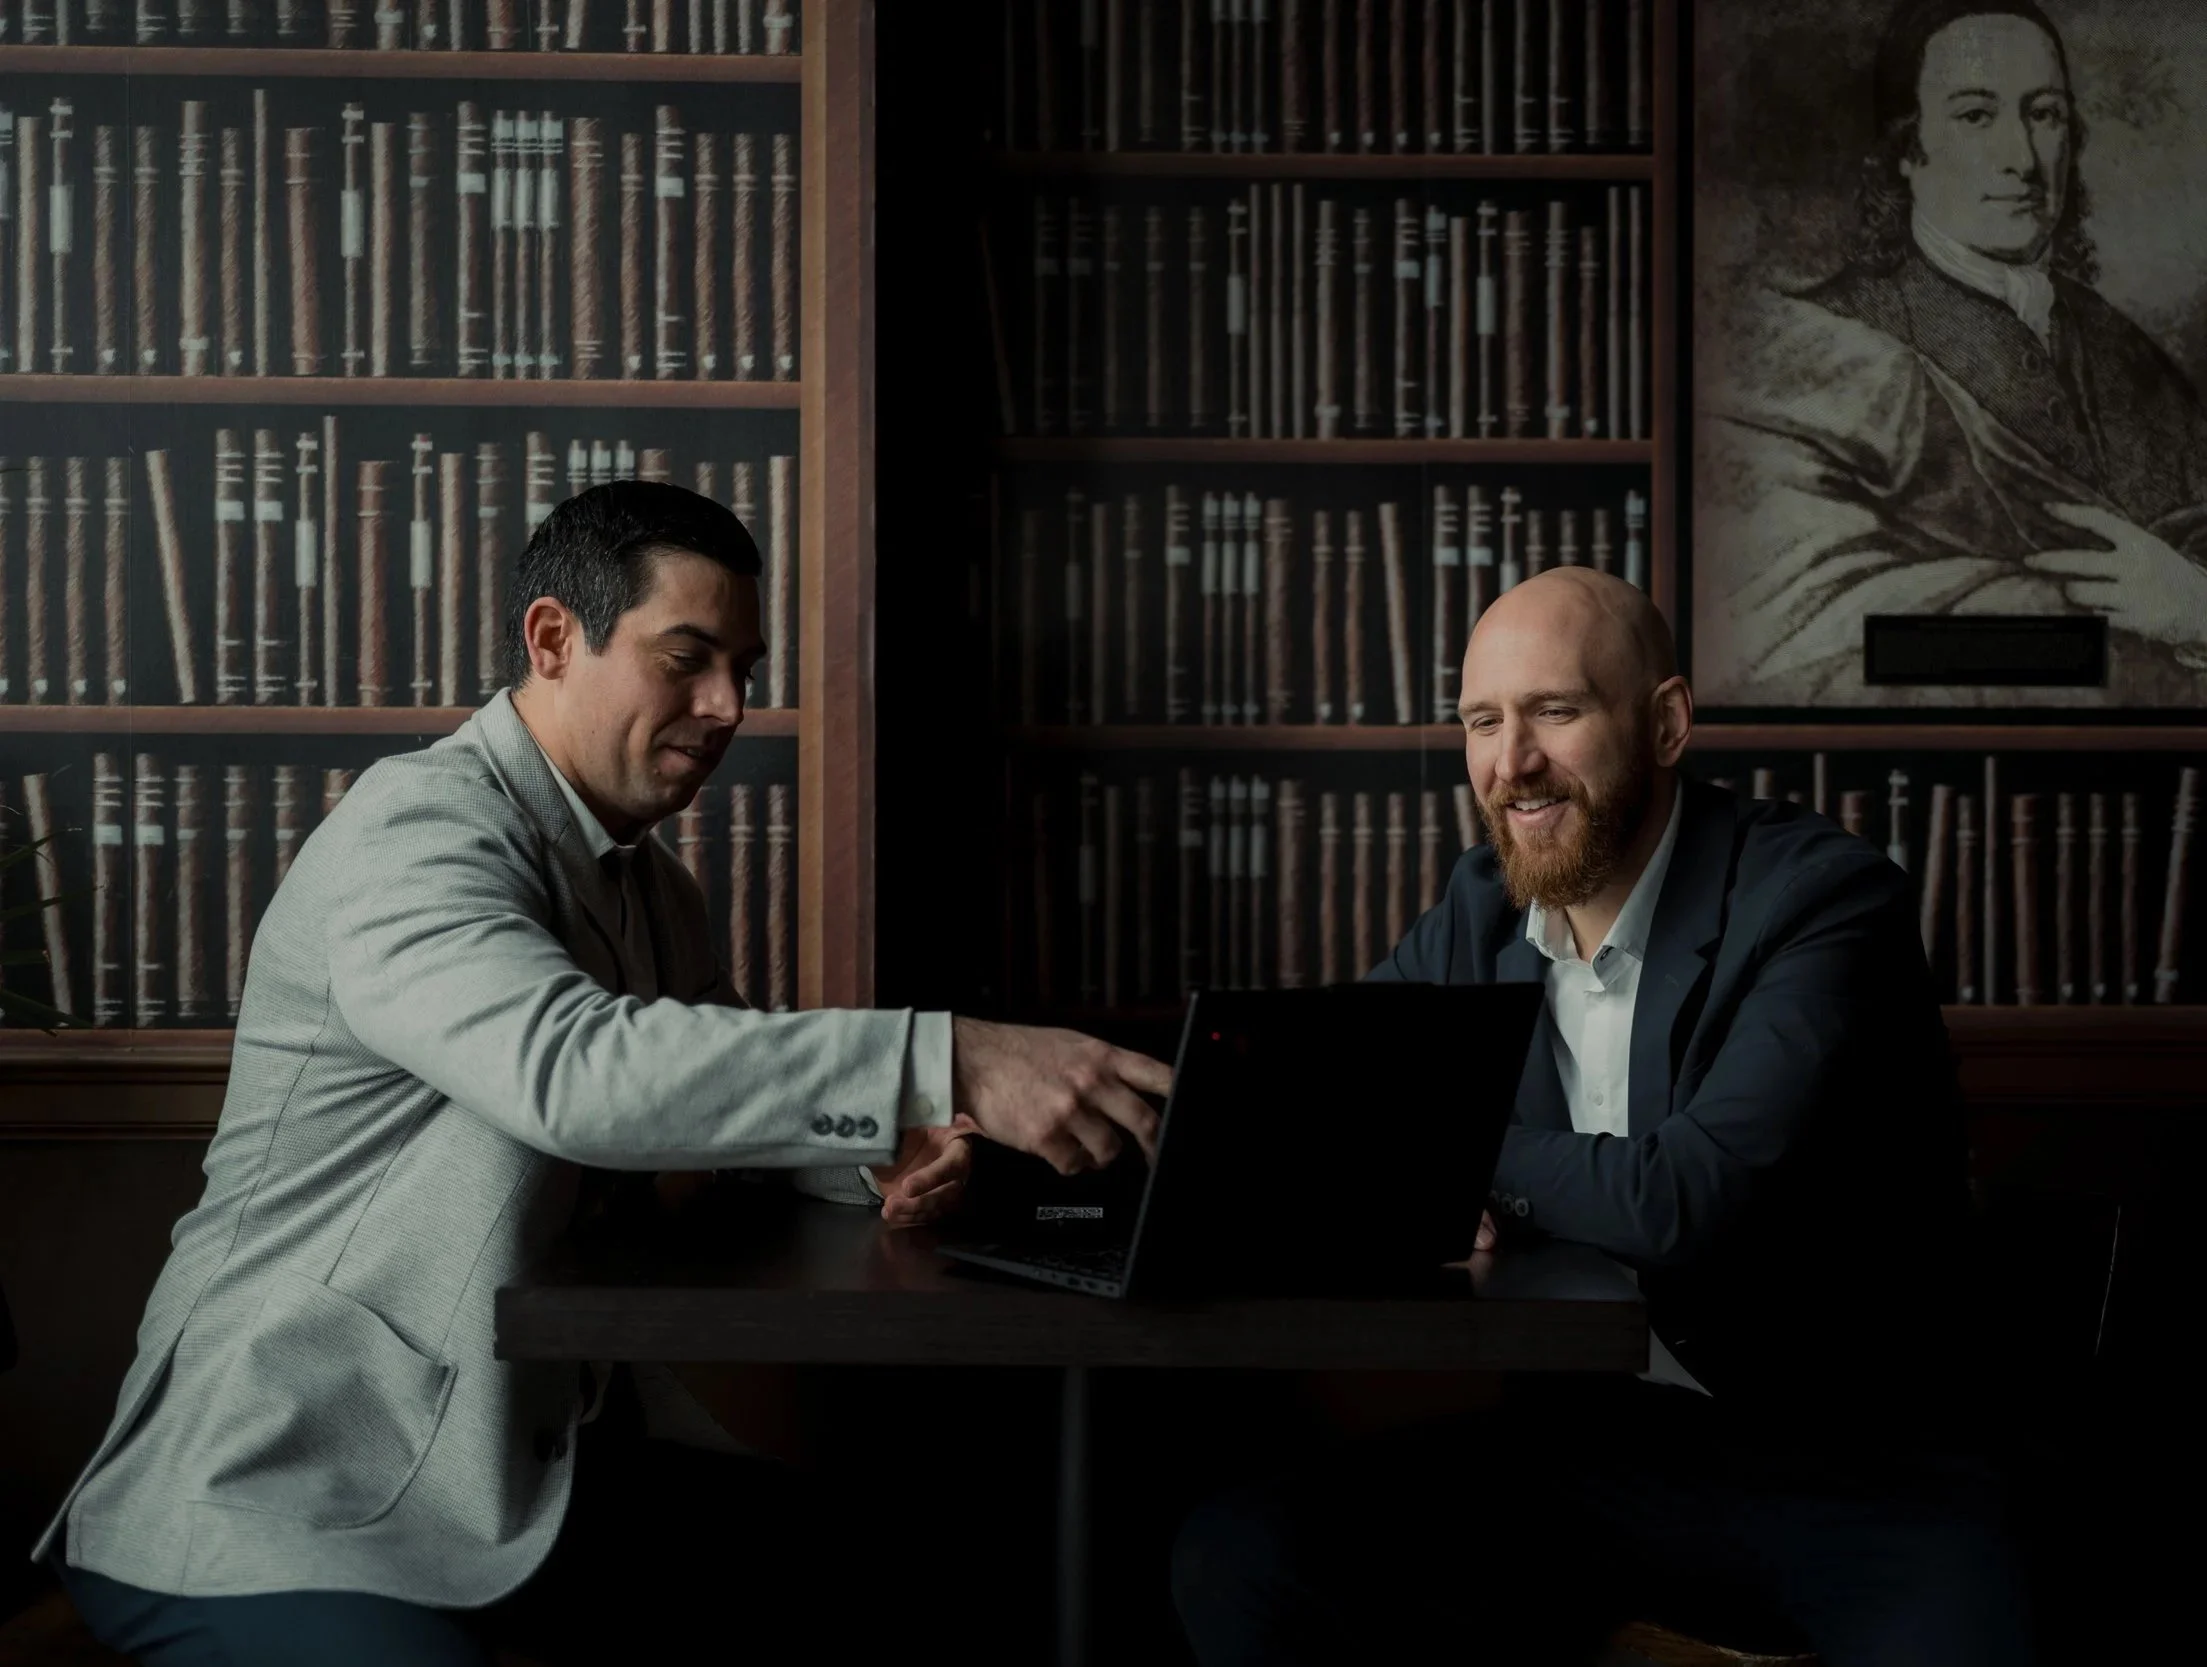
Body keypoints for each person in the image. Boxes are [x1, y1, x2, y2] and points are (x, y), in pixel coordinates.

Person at [35, 481, 1172, 1665]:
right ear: (550, 639)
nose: (729, 705)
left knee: (927, 1576)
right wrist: (948, 1051)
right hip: (280, 1498)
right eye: (686, 657)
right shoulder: (413, 833)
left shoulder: (648, 884)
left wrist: (885, 1157)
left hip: (515, 1484)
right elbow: (569, 1070)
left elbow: (717, 1098)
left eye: (743, 665)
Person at [1171, 568, 2036, 1666]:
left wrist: (1444, 1146)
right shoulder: (1479, 909)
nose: (1510, 760)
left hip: (1862, 1475)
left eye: (1555, 711)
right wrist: (1007, 1148)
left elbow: (1686, 1195)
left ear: (1665, 722)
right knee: (1242, 1551)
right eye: (1482, 720)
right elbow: (1304, 1100)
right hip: (1592, 1460)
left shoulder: (1823, 901)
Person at [1695, 0, 2207, 707]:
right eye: (1975, 116)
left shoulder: (2124, 351)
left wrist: (2193, 609)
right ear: (1907, 151)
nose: (2021, 159)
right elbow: (1834, 643)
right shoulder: (1835, 345)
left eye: (2044, 115)